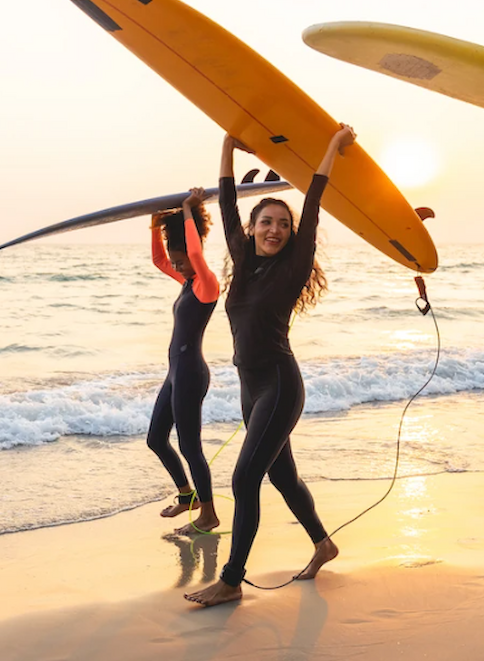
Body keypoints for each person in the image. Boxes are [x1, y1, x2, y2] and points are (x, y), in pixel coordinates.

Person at [183, 126, 353, 607]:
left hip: (279, 385)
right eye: (267, 222)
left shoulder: (293, 266)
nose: (275, 229)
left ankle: (232, 580)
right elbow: (228, 200)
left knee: (243, 480)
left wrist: (332, 147)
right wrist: (226, 147)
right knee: (282, 477)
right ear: (253, 229)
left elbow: (314, 204)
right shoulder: (241, 254)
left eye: (282, 223)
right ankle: (323, 543)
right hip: (250, 388)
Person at [148, 188, 220, 535]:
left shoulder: (207, 284)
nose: (176, 264)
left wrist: (190, 210)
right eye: (177, 261)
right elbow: (159, 261)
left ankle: (209, 514)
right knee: (156, 439)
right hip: (176, 373)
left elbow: (193, 250)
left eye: (182, 259)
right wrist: (153, 226)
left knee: (190, 445)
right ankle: (187, 495)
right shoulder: (188, 281)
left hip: (191, 374)